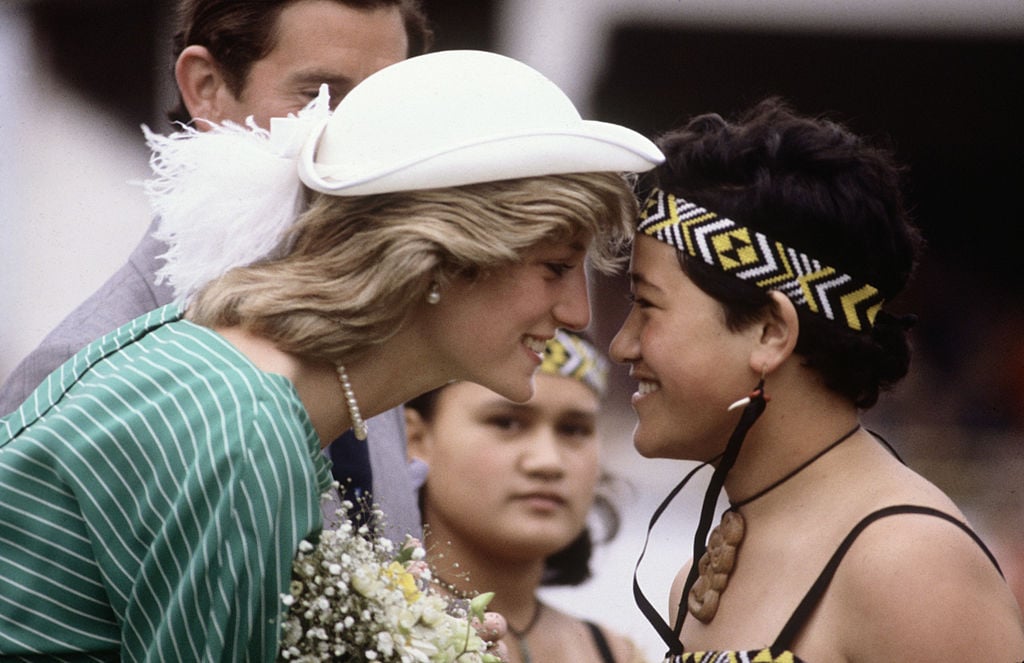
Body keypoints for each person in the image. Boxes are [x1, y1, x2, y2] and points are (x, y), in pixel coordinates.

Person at [0, 50, 664, 660]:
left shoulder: (236, 380)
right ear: (437, 255)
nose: (578, 312)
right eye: (553, 266)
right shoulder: (244, 431)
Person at [0, 0, 432, 543]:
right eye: (320, 96)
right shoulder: (83, 370)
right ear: (206, 87)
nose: (362, 138)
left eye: (383, 106)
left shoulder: (377, 335)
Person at [611, 97, 1024, 660]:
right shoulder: (701, 577)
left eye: (648, 305)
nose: (621, 345)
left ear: (769, 332)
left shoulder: (908, 564)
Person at [404, 330, 649, 663]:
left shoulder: (617, 654)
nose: (548, 461)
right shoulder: (371, 626)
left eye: (574, 429)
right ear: (415, 438)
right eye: (506, 423)